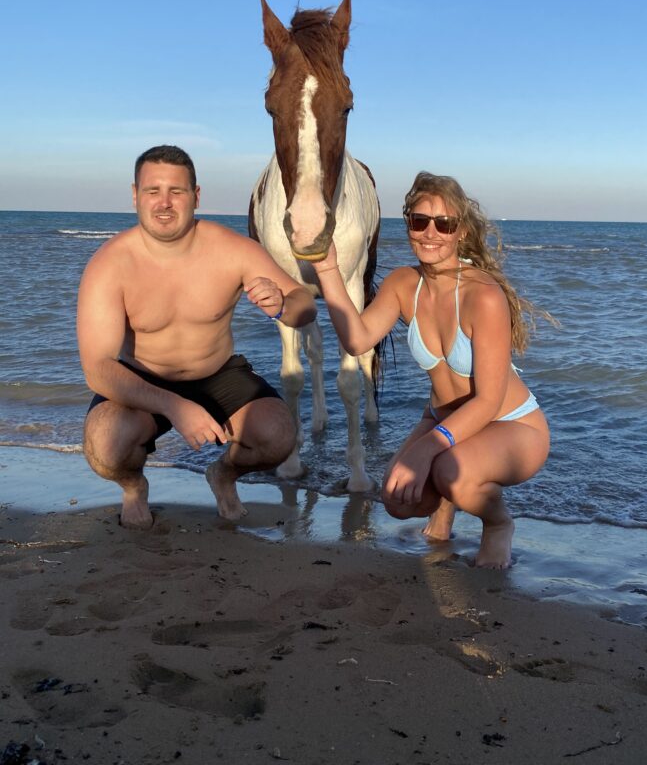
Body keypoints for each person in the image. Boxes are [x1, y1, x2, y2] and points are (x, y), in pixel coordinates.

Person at [313, 171, 550, 568]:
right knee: (397, 500)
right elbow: (357, 340)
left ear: (461, 231)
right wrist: (327, 269)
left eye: (444, 224)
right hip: (444, 421)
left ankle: (498, 524)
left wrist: (427, 447)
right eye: (419, 221)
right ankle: (444, 505)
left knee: (451, 471)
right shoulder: (404, 283)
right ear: (408, 223)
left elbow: (489, 400)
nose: (430, 233)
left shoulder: (483, 295)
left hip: (511, 424)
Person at [77, 145, 316, 530]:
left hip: (217, 374)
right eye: (153, 191)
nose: (164, 202)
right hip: (144, 377)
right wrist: (174, 405)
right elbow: (98, 368)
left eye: (177, 191)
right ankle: (134, 486)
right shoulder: (110, 264)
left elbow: (305, 303)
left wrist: (283, 304)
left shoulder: (232, 249)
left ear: (196, 196)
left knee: (278, 436)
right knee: (105, 446)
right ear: (135, 195)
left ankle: (223, 473)